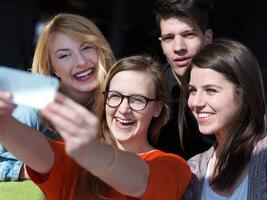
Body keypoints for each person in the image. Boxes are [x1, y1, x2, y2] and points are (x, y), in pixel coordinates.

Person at [0, 55, 191, 199]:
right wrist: (5, 122)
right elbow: (39, 153)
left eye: (137, 100)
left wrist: (91, 150)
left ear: (157, 108)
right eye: (115, 96)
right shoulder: (77, 153)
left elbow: (139, 181)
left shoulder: (175, 167)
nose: (123, 109)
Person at [0, 13, 115, 181]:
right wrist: (30, 171)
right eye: (64, 55)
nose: (81, 62)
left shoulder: (120, 103)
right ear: (53, 68)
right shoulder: (33, 109)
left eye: (87, 47)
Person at [180, 39, 267, 199]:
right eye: (192, 90)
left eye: (211, 90)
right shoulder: (194, 170)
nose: (196, 103)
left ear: (244, 93)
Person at [154, 0, 214, 159]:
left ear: (207, 37)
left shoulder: (233, 86)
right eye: (169, 38)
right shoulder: (152, 90)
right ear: (161, 44)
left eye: (188, 35)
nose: (178, 47)